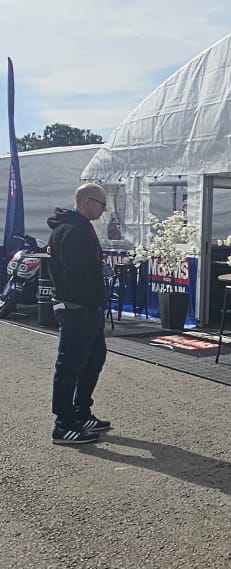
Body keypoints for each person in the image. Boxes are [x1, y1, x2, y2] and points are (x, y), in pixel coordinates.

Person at [47, 183, 112, 446]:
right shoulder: (72, 231)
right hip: (77, 308)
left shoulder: (78, 226)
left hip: (86, 307)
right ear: (86, 202)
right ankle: (63, 424)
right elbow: (76, 274)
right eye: (102, 204)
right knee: (70, 365)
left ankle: (81, 412)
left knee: (94, 357)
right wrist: (91, 301)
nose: (104, 210)